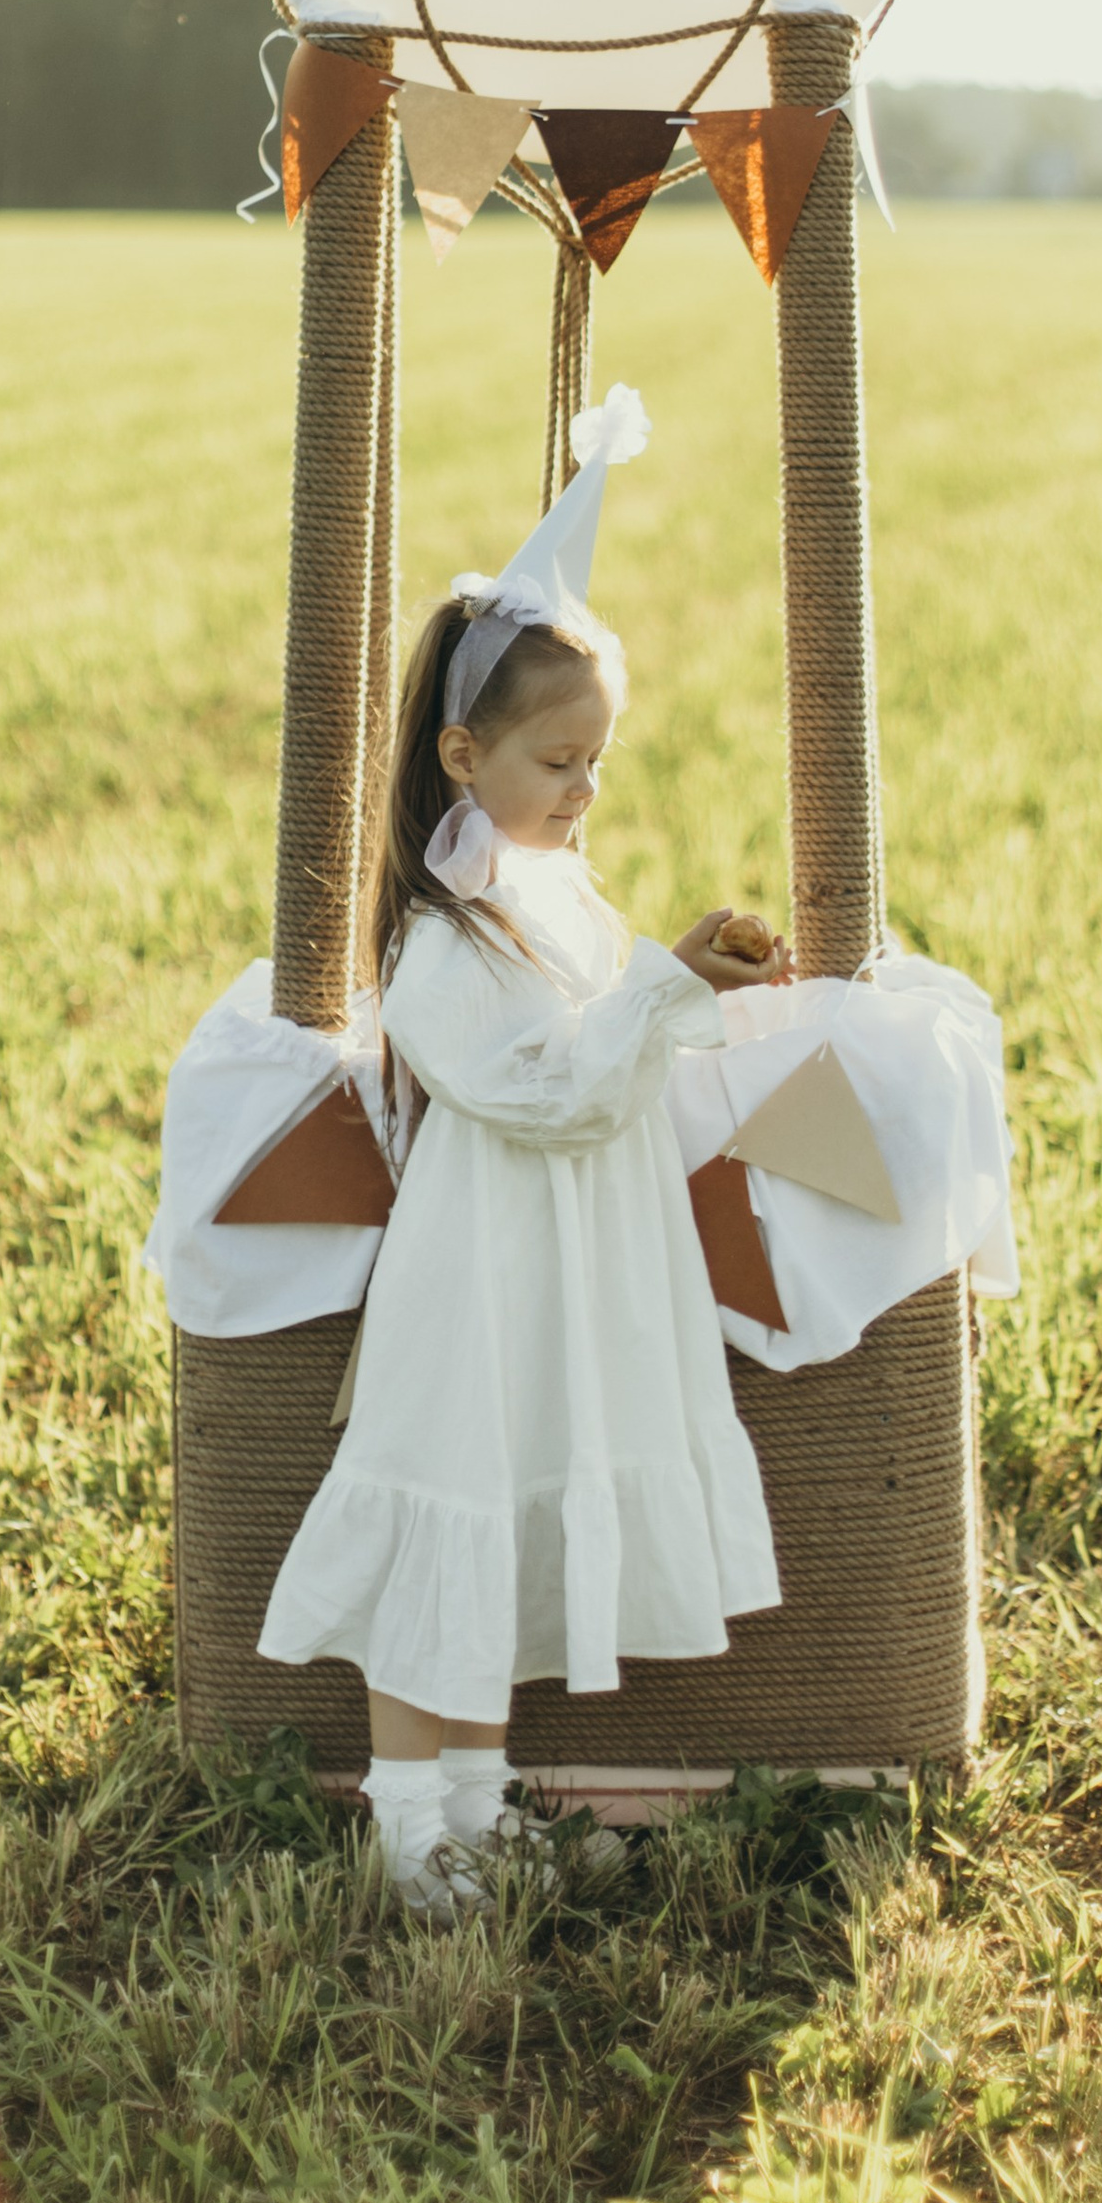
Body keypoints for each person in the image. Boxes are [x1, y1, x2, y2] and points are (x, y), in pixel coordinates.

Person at [257, 388, 788, 1913]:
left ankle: (477, 1809)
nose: (584, 790)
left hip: (562, 1273)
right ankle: (409, 1826)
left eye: (597, 760)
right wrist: (667, 983)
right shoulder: (437, 944)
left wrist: (703, 982)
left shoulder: (553, 894)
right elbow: (548, 1089)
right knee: (447, 1519)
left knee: (499, 1529)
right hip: (482, 1275)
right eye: (558, 760)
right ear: (462, 753)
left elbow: (613, 1045)